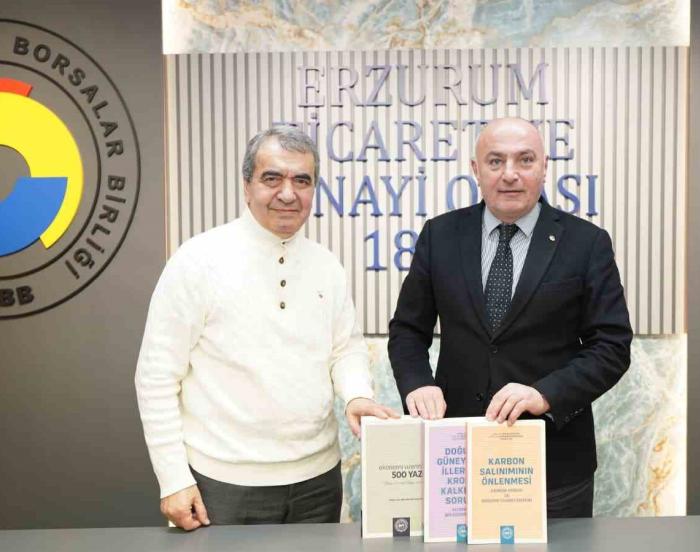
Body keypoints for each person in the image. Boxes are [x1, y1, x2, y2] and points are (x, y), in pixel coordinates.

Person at [135, 125, 398, 530]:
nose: (288, 193)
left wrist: (357, 395)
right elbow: (155, 376)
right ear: (247, 186)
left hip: (317, 483)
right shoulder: (198, 261)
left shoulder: (326, 265)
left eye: (301, 181)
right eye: (272, 178)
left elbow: (345, 349)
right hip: (221, 485)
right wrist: (173, 478)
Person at [388, 117, 632, 518]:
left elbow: (612, 347)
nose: (510, 174)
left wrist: (545, 394)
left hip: (553, 464)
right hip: (457, 459)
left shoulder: (587, 243)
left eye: (525, 160)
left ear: (544, 166)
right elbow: (407, 331)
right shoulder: (439, 235)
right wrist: (417, 383)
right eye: (495, 161)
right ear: (476, 169)